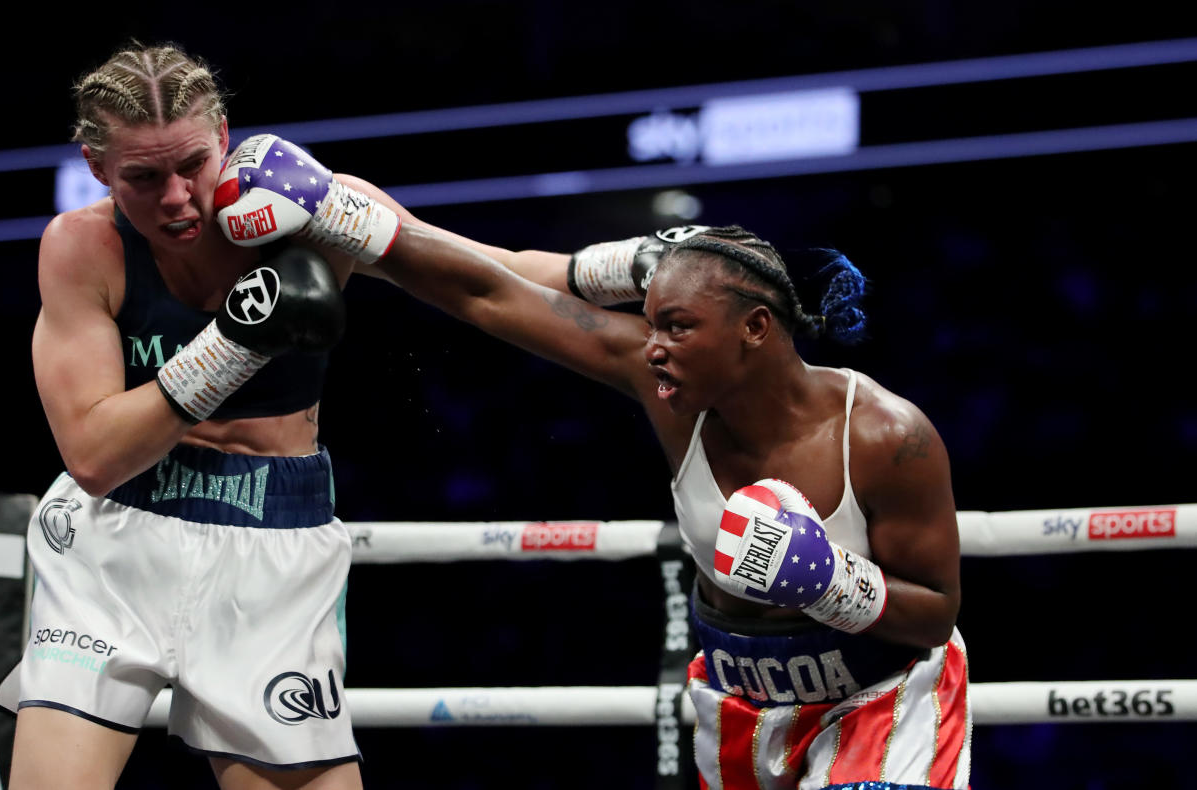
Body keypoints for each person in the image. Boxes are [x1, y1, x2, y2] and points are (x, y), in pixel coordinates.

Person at [215, 138, 971, 787]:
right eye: (652, 326)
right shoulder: (664, 386)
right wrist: (342, 213)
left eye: (678, 328)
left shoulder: (885, 437)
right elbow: (490, 291)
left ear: (756, 330)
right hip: (743, 698)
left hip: (877, 700)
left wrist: (832, 583)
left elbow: (935, 614)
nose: (653, 347)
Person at [0, 44, 402, 790]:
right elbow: (92, 455)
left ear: (225, 137)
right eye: (144, 179)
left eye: (193, 167)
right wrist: (236, 342)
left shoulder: (309, 210)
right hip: (110, 542)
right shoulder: (81, 247)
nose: (177, 198)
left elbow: (480, 282)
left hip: (272, 538)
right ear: (96, 167)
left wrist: (610, 272)